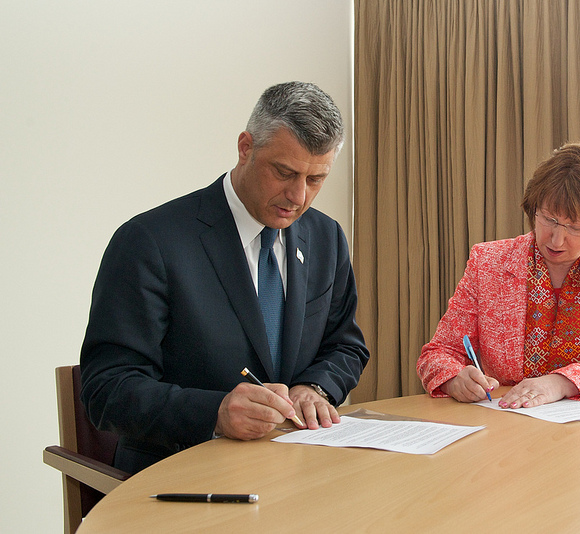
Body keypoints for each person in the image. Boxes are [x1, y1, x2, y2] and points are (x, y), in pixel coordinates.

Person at [80, 81, 369, 474]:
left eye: (316, 180)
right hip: (179, 478)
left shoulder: (326, 237)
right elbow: (107, 389)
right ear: (246, 147)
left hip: (297, 472)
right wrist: (214, 413)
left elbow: (346, 346)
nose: (298, 196)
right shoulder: (150, 241)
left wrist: (314, 387)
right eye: (284, 172)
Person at [417, 142, 580, 409]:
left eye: (574, 227)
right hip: (508, 427)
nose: (556, 239)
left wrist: (560, 382)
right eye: (549, 219)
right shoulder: (489, 263)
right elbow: (438, 354)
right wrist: (454, 378)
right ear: (534, 209)